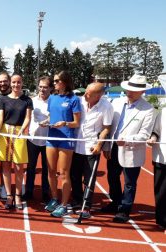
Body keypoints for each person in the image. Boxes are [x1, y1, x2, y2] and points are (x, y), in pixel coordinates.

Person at [102, 74, 155, 223]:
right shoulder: (116, 102)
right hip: (113, 147)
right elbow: (110, 126)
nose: (129, 92)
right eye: (128, 89)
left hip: (132, 150)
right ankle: (115, 202)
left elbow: (144, 134)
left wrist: (127, 140)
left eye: (133, 90)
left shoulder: (148, 109)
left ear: (142, 92)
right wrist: (107, 145)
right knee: (112, 177)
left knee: (129, 182)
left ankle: (125, 209)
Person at [70, 82, 113, 218]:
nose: (85, 95)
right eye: (86, 91)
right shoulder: (80, 101)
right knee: (74, 175)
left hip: (92, 146)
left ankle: (86, 206)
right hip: (77, 144)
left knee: (89, 178)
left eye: (89, 93)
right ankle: (76, 201)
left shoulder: (106, 107)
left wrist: (99, 146)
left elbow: (107, 127)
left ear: (99, 96)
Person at [41, 70, 81, 218]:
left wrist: (65, 123)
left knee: (63, 173)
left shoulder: (74, 99)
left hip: (66, 139)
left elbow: (76, 123)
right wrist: (45, 123)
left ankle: (64, 205)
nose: (54, 83)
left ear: (65, 82)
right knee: (51, 171)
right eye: (54, 81)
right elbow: (51, 117)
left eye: (57, 81)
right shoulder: (52, 98)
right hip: (52, 137)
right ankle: (54, 199)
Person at [0, 74, 33, 210]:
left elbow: (28, 117)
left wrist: (22, 129)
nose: (16, 85)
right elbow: (0, 117)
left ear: (22, 83)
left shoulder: (27, 100)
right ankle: (9, 195)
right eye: (14, 82)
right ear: (11, 83)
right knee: (5, 165)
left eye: (19, 82)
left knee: (18, 167)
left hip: (19, 133)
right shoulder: (3, 99)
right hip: (5, 132)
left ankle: (18, 195)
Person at [23, 76, 53, 202]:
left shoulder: (54, 101)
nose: (42, 89)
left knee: (47, 168)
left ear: (50, 88)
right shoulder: (32, 100)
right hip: (32, 139)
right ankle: (29, 190)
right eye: (40, 86)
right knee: (31, 167)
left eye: (45, 87)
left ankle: (46, 192)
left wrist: (47, 121)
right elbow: (27, 117)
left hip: (48, 140)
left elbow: (57, 116)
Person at [147, 105, 166, 231]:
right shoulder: (164, 111)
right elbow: (156, 130)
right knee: (161, 191)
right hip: (162, 157)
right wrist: (153, 138)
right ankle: (163, 221)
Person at [0, 72, 12, 199]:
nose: (2, 84)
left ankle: (3, 186)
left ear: (9, 81)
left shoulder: (14, 96)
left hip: (8, 134)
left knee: (5, 162)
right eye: (0, 81)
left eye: (5, 81)